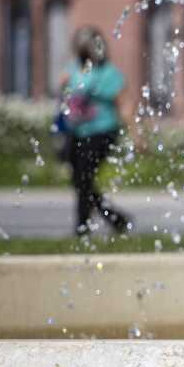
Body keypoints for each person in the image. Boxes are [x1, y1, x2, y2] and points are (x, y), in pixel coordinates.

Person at [61, 27, 133, 236]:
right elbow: (65, 87)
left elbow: (125, 104)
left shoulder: (109, 73)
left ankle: (82, 227)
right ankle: (114, 217)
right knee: (79, 180)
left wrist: (135, 135)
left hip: (102, 131)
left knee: (84, 178)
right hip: (77, 132)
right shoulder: (76, 68)